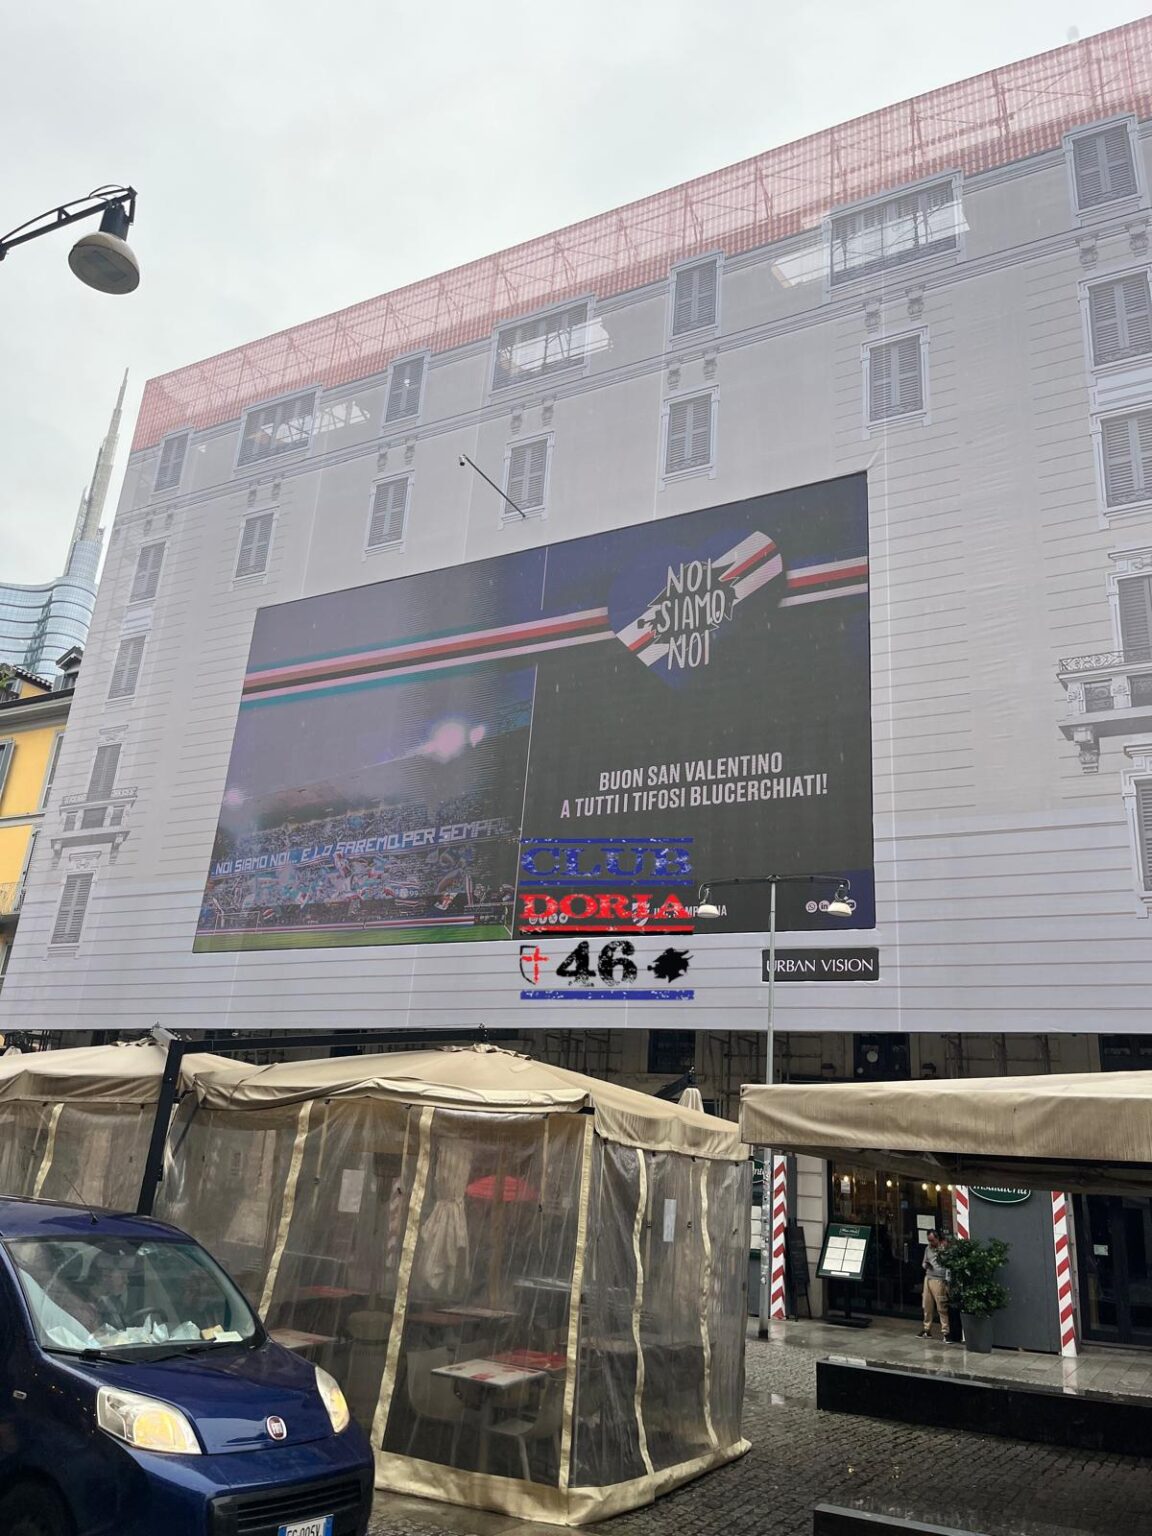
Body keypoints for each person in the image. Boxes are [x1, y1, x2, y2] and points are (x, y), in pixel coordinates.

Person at [919, 1230, 951, 1340]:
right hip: (928, 1277)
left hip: (939, 1279)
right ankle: (927, 1329)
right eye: (929, 1240)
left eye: (932, 1240)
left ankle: (946, 1331)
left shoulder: (943, 1249)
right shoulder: (928, 1249)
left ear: (937, 1239)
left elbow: (948, 1265)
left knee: (941, 1306)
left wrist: (947, 1281)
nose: (930, 1242)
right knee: (927, 1305)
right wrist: (926, 1265)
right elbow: (924, 1262)